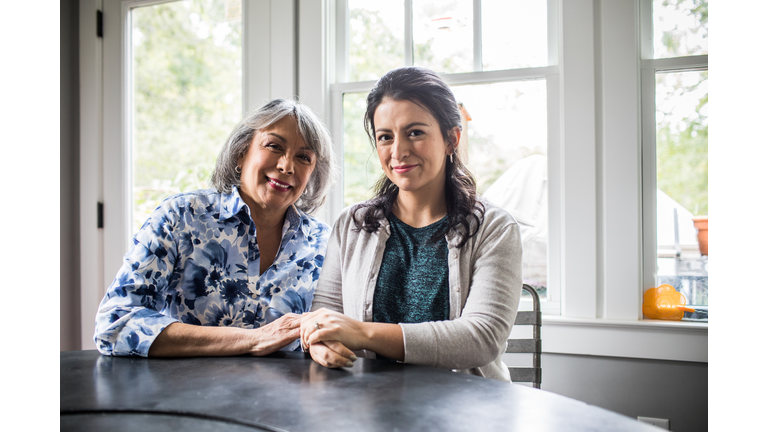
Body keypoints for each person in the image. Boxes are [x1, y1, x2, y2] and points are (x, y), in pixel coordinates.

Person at [300, 67, 523, 382]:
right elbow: (323, 319)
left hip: (469, 411)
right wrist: (322, 345)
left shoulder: (495, 228)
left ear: (451, 140)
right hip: (366, 406)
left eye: (415, 132)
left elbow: (481, 338)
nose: (398, 151)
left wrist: (362, 333)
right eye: (385, 137)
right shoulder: (352, 224)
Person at [94, 99, 336, 357]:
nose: (287, 166)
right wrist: (254, 339)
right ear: (241, 152)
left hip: (288, 394)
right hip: (188, 393)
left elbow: (334, 329)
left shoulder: (325, 243)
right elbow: (115, 323)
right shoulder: (180, 217)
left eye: (303, 157)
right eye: (274, 146)